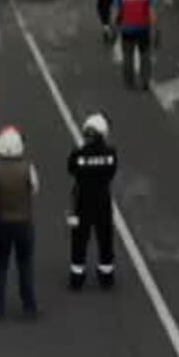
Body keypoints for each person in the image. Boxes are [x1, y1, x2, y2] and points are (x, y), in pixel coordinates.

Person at [0, 126, 38, 319]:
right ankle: (29, 306)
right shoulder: (27, 168)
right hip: (23, 222)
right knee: (25, 265)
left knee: (0, 265)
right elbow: (34, 190)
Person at [67, 114, 118, 291]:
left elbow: (71, 169)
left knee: (79, 239)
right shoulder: (111, 153)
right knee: (105, 239)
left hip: (82, 201)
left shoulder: (79, 153)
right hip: (103, 201)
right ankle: (106, 277)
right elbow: (111, 173)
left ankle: (77, 278)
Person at [113, 0, 155, 90]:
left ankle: (129, 81)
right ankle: (145, 80)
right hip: (143, 28)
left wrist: (114, 28)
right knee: (145, 55)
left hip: (127, 29)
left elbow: (115, 12)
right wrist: (157, 30)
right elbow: (152, 13)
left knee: (128, 55)